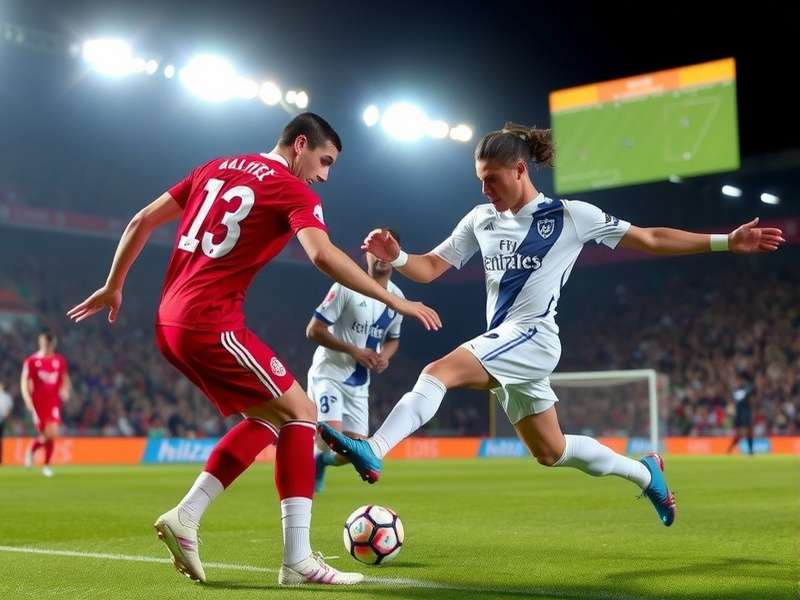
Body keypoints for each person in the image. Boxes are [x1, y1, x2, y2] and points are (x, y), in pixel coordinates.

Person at [320, 122, 785, 528]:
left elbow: (650, 238)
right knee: (552, 452)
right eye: (480, 181)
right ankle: (647, 473)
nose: (485, 191)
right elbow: (430, 268)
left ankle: (375, 448)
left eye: (492, 180)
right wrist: (396, 257)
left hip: (535, 336)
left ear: (520, 170)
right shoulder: (480, 219)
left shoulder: (570, 216)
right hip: (506, 344)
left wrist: (726, 240)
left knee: (437, 372)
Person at [67, 112, 440, 586]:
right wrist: (394, 300)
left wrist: (113, 284)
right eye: (324, 161)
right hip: (210, 323)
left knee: (271, 418)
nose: (324, 175)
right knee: (303, 413)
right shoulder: (293, 189)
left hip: (170, 322)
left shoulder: (215, 166)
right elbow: (322, 254)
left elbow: (141, 220)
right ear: (300, 144)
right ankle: (297, 561)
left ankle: (189, 517)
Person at [305, 236, 403, 492]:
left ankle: (321, 461)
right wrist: (355, 351)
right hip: (330, 373)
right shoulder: (346, 287)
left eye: (386, 250)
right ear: (366, 255)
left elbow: (393, 339)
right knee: (330, 436)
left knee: (353, 451)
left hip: (359, 384)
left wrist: (385, 357)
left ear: (395, 255)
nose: (381, 256)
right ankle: (316, 456)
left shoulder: (397, 298)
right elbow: (314, 330)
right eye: (375, 250)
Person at [21, 330, 71, 477]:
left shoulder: (59, 360)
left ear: (53, 343)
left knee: (53, 433)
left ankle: (46, 465)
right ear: (40, 342)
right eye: (44, 342)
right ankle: (33, 449)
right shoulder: (31, 361)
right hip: (38, 403)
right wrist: (27, 398)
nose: (47, 345)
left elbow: (64, 378)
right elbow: (24, 382)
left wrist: (65, 390)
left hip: (53, 402)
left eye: (49, 343)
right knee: (46, 434)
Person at [727, 373, 755, 455]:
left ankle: (750, 450)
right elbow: (734, 400)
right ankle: (731, 448)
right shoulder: (735, 390)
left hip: (745, 412)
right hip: (738, 413)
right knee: (739, 433)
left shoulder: (746, 389)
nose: (737, 382)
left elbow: (750, 390)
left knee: (748, 431)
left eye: (738, 380)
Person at [0, 382, 13, 466]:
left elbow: (8, 410)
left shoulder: (6, 397)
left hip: (2, 421)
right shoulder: (7, 397)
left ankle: (0, 459)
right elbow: (9, 409)